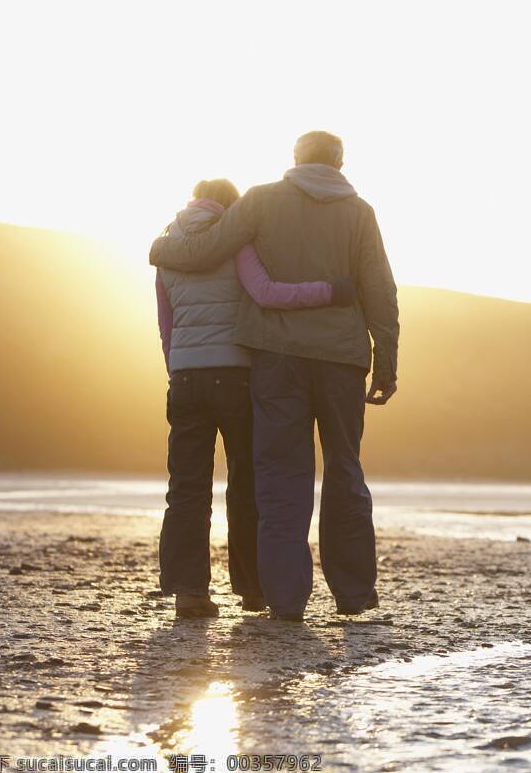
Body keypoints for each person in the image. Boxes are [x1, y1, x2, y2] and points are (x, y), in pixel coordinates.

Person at [150, 132, 399, 622]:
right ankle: (352, 594)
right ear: (340, 162)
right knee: (345, 470)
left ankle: (284, 600)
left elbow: (204, 251)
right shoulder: (361, 213)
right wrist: (386, 359)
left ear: (295, 159)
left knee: (281, 477)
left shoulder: (261, 201)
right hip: (341, 359)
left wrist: (159, 247)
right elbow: (380, 288)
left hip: (275, 359)